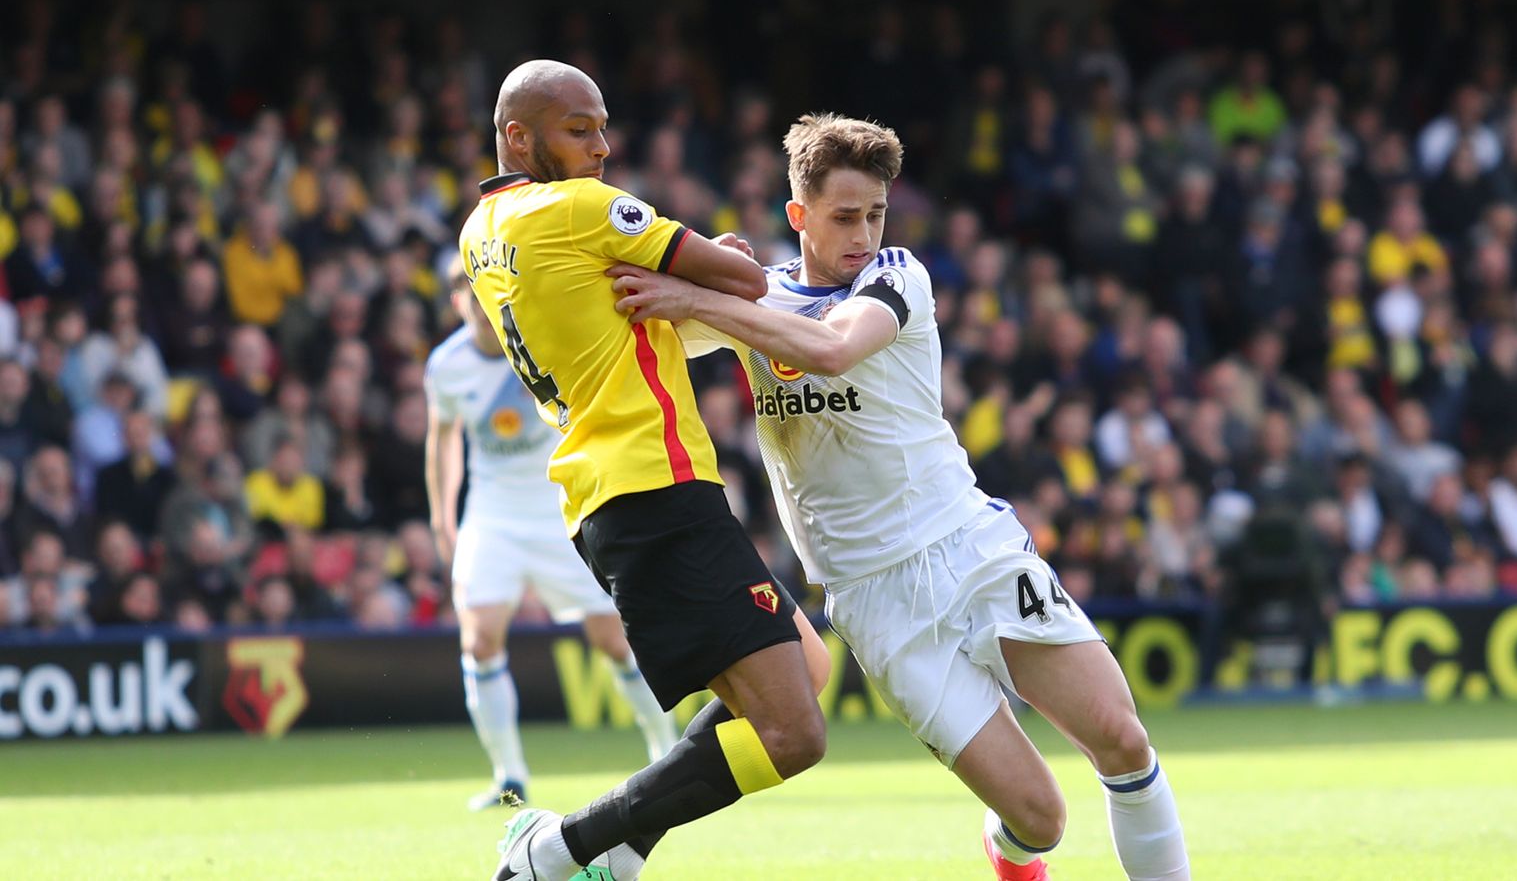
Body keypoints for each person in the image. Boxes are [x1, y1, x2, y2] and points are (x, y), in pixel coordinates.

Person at [614, 113, 1190, 881]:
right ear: (798, 216)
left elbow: (831, 348)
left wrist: (697, 299)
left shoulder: (896, 276)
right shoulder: (761, 298)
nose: (863, 232)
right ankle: (1011, 852)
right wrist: (697, 277)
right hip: (874, 601)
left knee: (1121, 738)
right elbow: (646, 337)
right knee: (1040, 820)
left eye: (875, 213)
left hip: (968, 549)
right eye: (845, 216)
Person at [458, 61, 830, 881]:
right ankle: (562, 846)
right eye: (578, 129)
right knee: (794, 735)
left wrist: (672, 279)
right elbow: (745, 279)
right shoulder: (581, 208)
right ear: (519, 137)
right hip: (652, 484)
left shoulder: (482, 231)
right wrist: (693, 271)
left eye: (601, 125)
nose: (603, 145)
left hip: (616, 492)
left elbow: (617, 319)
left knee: (808, 668)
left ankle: (622, 847)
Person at [424, 269, 678, 811]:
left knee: (612, 640)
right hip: (492, 515)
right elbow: (442, 442)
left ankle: (665, 748)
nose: (477, 304)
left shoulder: (539, 339)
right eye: (467, 294)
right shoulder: (446, 367)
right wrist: (443, 520)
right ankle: (509, 777)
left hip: (558, 504)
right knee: (480, 639)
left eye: (482, 292)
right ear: (455, 301)